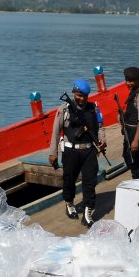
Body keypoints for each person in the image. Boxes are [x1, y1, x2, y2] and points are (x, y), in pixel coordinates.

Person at [49, 79, 106, 226]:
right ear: (74, 93)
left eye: (85, 96)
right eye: (79, 95)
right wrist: (53, 153)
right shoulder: (64, 109)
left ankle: (87, 212)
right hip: (70, 151)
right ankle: (69, 203)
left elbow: (100, 126)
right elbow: (56, 132)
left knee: (90, 181)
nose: (82, 99)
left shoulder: (94, 108)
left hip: (89, 151)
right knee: (69, 179)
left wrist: (102, 140)